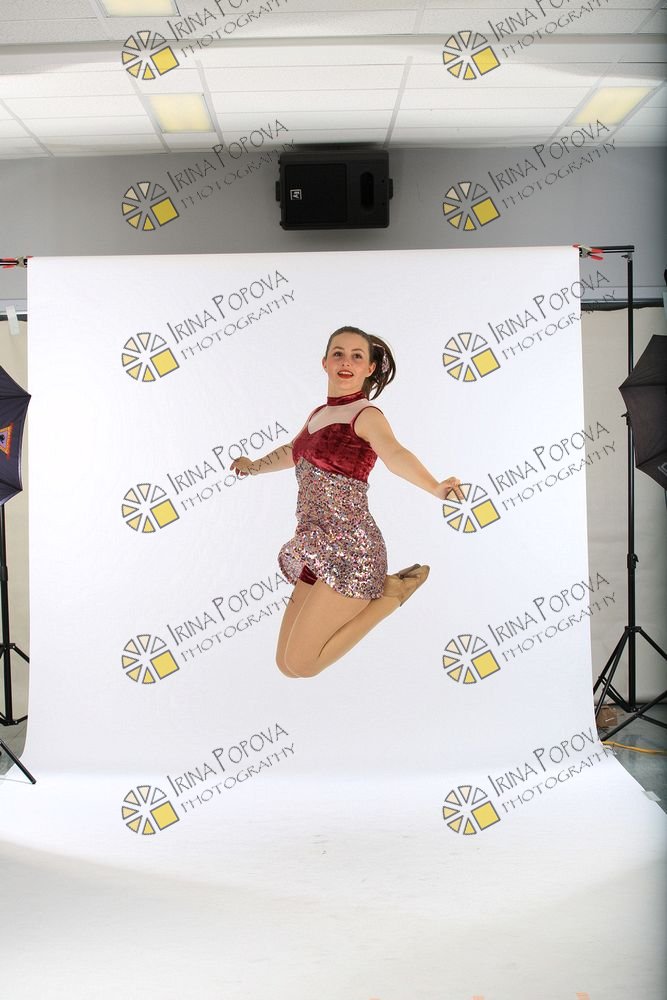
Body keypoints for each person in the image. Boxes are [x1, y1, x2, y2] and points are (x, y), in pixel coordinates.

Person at [231, 326, 463, 679]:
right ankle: (388, 592)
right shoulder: (317, 415)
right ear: (325, 362)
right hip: (318, 545)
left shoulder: (366, 415)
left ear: (369, 368)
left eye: (357, 356)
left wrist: (434, 486)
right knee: (286, 666)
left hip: (354, 551)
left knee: (304, 664)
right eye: (338, 354)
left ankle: (391, 595)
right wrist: (253, 466)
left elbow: (395, 453)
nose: (346, 362)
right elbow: (292, 452)